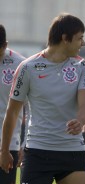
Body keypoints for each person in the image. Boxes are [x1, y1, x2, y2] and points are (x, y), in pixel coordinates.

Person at [0, 13, 85, 184]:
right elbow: (12, 113)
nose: (83, 43)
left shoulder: (83, 66)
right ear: (65, 38)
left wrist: (80, 120)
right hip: (37, 152)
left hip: (72, 150)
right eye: (80, 38)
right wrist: (4, 150)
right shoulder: (27, 67)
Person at [0, 24, 29, 184]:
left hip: (8, 146)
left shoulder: (21, 65)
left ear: (5, 45)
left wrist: (25, 143)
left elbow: (30, 107)